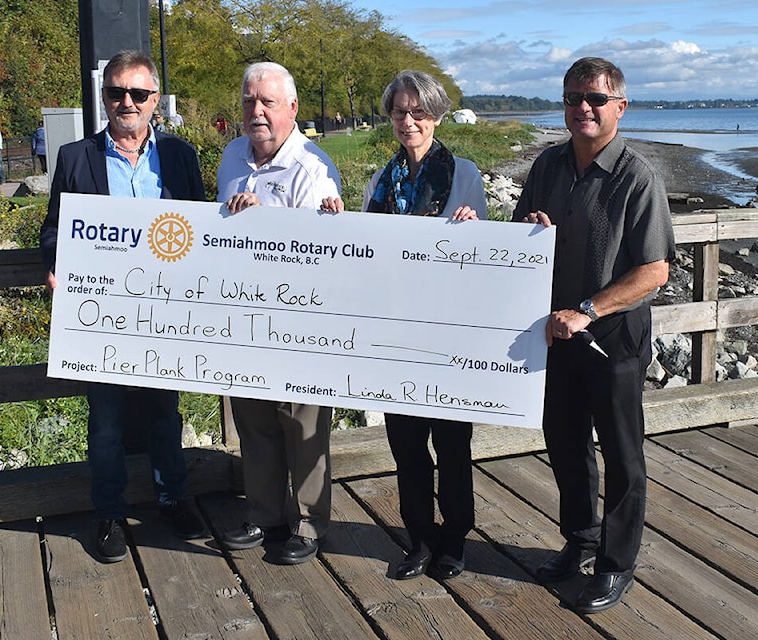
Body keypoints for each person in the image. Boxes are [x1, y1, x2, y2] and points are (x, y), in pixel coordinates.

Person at [512, 57, 675, 613]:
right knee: (565, 443)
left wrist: (588, 309)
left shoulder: (637, 176)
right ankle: (579, 541)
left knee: (623, 455)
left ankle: (616, 562)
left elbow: (655, 271)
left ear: (619, 107)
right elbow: (515, 238)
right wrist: (527, 237)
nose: (583, 107)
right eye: (572, 97)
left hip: (614, 339)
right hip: (555, 336)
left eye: (596, 99)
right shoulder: (547, 166)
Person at [39, 50, 207, 563]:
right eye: (116, 93)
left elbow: (203, 229)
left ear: (155, 99)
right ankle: (109, 512)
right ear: (103, 97)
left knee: (164, 411)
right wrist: (54, 263)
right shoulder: (74, 157)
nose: (126, 102)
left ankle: (173, 497)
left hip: (164, 309)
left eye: (138, 93)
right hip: (103, 314)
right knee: (106, 419)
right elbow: (53, 228)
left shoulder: (180, 156)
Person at [322, 70, 486, 580]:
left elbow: (486, 254)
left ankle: (455, 538)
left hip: (447, 331)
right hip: (393, 332)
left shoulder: (465, 172)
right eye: (399, 112)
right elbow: (364, 250)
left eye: (418, 112)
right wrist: (337, 220)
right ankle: (419, 537)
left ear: (435, 115)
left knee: (453, 444)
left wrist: (474, 231)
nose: (408, 121)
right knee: (407, 445)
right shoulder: (380, 179)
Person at [216, 62, 341, 565]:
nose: (257, 111)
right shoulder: (231, 156)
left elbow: (319, 250)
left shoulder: (313, 166)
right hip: (244, 312)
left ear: (292, 108)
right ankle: (264, 511)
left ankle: (310, 522)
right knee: (253, 417)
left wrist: (261, 219)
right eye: (249, 101)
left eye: (268, 102)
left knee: (303, 420)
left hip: (300, 317)